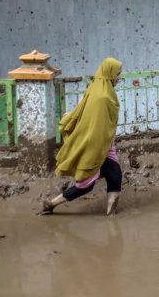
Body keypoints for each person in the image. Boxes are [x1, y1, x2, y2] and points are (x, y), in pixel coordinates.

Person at [40, 57, 123, 216]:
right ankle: (51, 204)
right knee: (86, 184)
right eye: (117, 73)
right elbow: (92, 121)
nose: (119, 78)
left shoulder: (95, 90)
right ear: (109, 73)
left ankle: (111, 216)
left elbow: (82, 112)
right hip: (95, 146)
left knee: (115, 177)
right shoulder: (103, 97)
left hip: (105, 146)